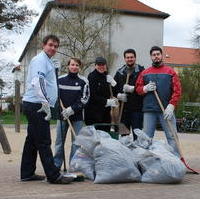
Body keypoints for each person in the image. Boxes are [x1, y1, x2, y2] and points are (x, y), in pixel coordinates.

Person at [21, 35, 73, 184]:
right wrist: (45, 103)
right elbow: (38, 82)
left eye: (56, 46)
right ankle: (54, 176)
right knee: (44, 140)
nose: (53, 48)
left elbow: (48, 82)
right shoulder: (40, 60)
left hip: (37, 104)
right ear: (44, 45)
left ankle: (26, 173)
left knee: (32, 140)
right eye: (50, 45)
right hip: (37, 105)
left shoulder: (47, 61)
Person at [136, 46, 182, 156]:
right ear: (151, 57)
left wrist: (172, 105)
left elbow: (177, 90)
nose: (156, 56)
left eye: (158, 54)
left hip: (166, 110)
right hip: (149, 110)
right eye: (154, 55)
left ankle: (175, 161)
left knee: (172, 136)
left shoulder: (170, 72)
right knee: (146, 137)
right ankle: (145, 160)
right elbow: (138, 89)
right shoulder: (145, 73)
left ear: (161, 55)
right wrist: (145, 88)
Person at [54, 58, 90, 169]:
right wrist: (61, 110)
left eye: (77, 65)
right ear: (68, 66)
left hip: (77, 117)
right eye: (72, 65)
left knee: (76, 143)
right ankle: (56, 165)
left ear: (80, 67)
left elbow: (85, 99)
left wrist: (71, 109)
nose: (74, 67)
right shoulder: (59, 80)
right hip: (62, 116)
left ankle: (73, 166)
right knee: (59, 142)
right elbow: (55, 96)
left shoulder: (83, 81)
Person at [113, 49, 144, 140]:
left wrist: (133, 89)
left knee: (137, 136)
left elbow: (144, 88)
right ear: (124, 59)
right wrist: (118, 95)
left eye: (131, 57)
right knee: (124, 136)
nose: (129, 59)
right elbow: (113, 89)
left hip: (137, 110)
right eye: (127, 57)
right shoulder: (119, 72)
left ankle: (137, 153)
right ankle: (125, 153)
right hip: (123, 111)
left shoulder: (142, 72)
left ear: (135, 58)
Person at [85, 57, 118, 132]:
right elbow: (92, 95)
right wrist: (106, 102)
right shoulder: (92, 77)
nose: (101, 67)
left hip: (105, 113)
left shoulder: (106, 77)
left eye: (103, 64)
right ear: (95, 65)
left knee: (105, 136)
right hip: (93, 114)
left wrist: (114, 84)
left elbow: (113, 92)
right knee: (94, 138)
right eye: (99, 65)